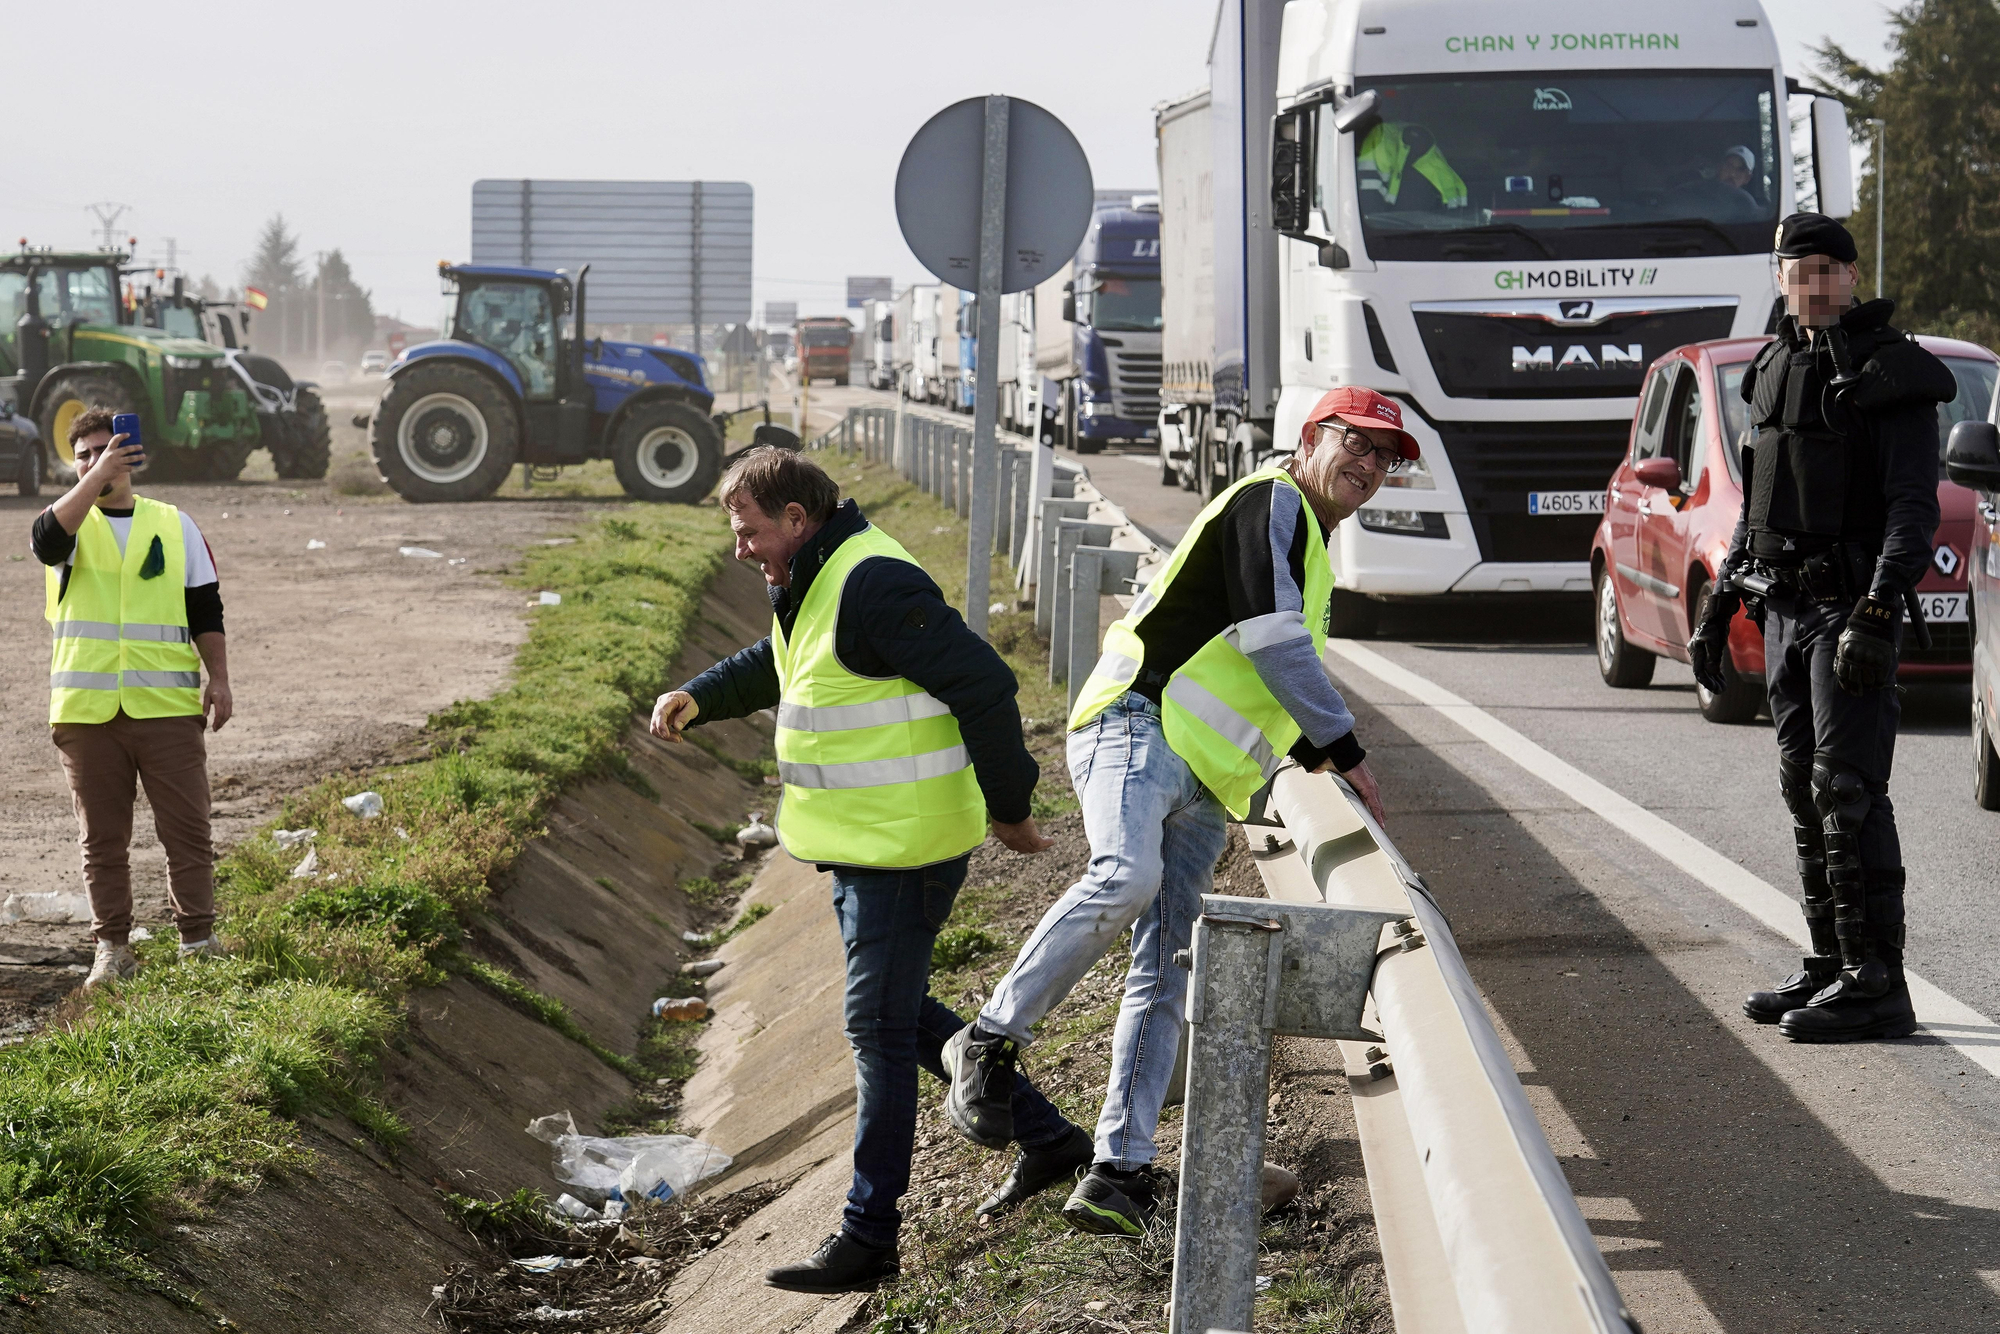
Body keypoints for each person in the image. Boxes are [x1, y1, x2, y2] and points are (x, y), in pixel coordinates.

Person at [941, 387, 1406, 1236]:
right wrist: (1343, 747)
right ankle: (987, 1038)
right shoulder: (1272, 500)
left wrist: (1309, 755)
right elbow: (1271, 640)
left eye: (1386, 457)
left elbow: (1243, 665)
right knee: (1123, 876)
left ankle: (1120, 1171)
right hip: (1137, 721)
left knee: (1166, 968)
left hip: (1203, 774)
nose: (1370, 466)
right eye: (1357, 444)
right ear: (1309, 439)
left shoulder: (1308, 541)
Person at [648, 447, 1091, 1294]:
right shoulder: (812, 577)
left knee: (876, 1030)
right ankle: (1050, 1138)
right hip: (864, 845)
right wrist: (700, 695)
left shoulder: (873, 582)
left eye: (747, 533)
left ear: (794, 520)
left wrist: (1011, 808)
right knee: (900, 1012)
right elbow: (786, 667)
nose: (739, 549)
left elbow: (988, 687)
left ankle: (868, 1236)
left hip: (907, 849)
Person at [1690, 212, 1956, 1043]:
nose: (1810, 285)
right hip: (1786, 609)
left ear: (1849, 277)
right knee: (1803, 788)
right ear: (1777, 281)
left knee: (1847, 790)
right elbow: (1759, 505)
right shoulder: (1772, 367)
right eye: (1794, 270)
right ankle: (1831, 961)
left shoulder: (1891, 373)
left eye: (1825, 269)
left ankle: (1879, 983)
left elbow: (1913, 509)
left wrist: (1878, 613)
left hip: (1849, 609)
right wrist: (1721, 598)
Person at [32, 408, 232, 988]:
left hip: (167, 708)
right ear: (74, 464)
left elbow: (205, 608)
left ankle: (197, 939)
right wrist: (94, 481)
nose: (98, 460)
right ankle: (111, 950)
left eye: (109, 449)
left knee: (188, 830)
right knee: (102, 840)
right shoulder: (64, 523)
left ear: (135, 454)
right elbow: (45, 543)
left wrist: (219, 678)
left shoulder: (175, 524)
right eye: (86, 454)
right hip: (87, 713)